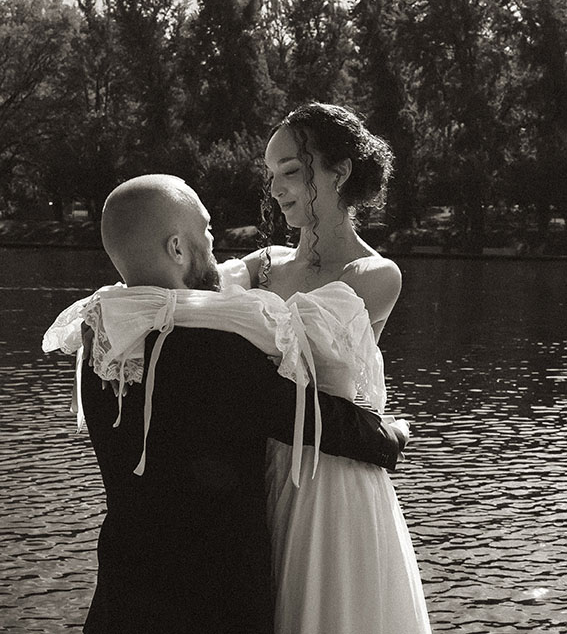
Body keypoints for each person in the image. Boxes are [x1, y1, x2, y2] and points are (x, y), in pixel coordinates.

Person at [43, 174, 409, 634]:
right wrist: (392, 436)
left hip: (122, 595)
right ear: (177, 248)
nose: (215, 246)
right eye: (207, 231)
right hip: (212, 602)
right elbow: (318, 420)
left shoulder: (99, 335)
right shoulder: (218, 347)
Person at [241, 102, 432, 634]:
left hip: (335, 482)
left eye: (292, 171)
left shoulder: (376, 275)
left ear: (340, 172)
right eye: (272, 174)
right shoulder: (261, 266)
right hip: (261, 468)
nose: (277, 188)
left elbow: (289, 347)